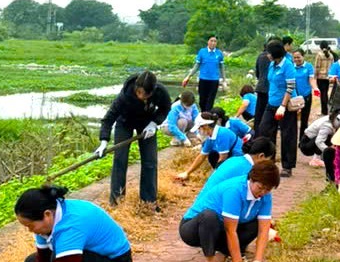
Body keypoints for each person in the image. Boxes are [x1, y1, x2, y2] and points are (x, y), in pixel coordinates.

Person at [178, 162, 280, 262]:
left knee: (257, 224)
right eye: (260, 188)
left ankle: (222, 256)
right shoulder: (234, 190)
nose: (262, 192)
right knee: (209, 216)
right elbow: (230, 230)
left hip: (220, 230)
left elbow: (264, 229)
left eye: (267, 189)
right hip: (194, 229)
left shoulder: (265, 196)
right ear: (251, 180)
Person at [97, 71, 171, 208]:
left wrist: (154, 123)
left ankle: (148, 202)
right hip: (125, 123)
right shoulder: (125, 95)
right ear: (136, 88)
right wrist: (103, 141)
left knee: (150, 161)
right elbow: (108, 118)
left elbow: (165, 108)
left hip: (147, 125)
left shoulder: (160, 92)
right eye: (139, 93)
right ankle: (117, 202)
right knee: (120, 159)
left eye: (145, 94)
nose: (141, 96)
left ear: (152, 92)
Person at [257, 40, 299, 178]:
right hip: (271, 103)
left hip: (285, 105)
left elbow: (290, 87)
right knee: (264, 130)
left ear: (275, 53)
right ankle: (269, 160)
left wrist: (283, 106)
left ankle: (287, 166)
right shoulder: (272, 65)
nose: (267, 55)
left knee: (288, 134)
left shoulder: (288, 65)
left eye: (269, 53)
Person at [176, 112, 245, 180]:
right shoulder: (210, 137)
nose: (199, 131)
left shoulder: (222, 134)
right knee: (212, 155)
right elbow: (201, 156)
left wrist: (214, 176)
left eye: (199, 128)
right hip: (229, 156)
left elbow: (223, 157)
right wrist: (187, 173)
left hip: (238, 157)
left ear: (205, 126)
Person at [299, 108, 340, 176]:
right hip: (306, 146)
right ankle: (316, 159)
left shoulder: (332, 120)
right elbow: (318, 142)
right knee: (328, 139)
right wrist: (329, 151)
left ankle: (319, 157)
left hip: (312, 141)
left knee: (332, 138)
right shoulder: (327, 126)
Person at [184, 35, 226, 112]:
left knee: (210, 100)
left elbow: (222, 67)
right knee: (202, 100)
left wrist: (224, 80)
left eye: (215, 41)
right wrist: (188, 76)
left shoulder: (219, 53)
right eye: (211, 41)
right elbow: (197, 65)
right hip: (203, 79)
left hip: (214, 80)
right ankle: (203, 113)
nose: (213, 43)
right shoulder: (202, 52)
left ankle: (207, 115)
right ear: (208, 42)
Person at [292, 50, 317, 132]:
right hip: (294, 97)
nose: (296, 59)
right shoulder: (291, 67)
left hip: (306, 96)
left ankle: (303, 138)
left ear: (303, 56)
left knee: (304, 119)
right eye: (294, 58)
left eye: (298, 57)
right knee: (293, 119)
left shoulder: (308, 66)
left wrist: (315, 88)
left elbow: (311, 79)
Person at [254, 37, 277, 120]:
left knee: (259, 112)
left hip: (260, 87)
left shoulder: (260, 56)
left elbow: (257, 73)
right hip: (270, 89)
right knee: (268, 114)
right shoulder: (275, 58)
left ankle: (258, 127)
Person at [313, 40, 335, 116]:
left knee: (323, 94)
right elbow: (332, 67)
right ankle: (326, 110)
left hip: (320, 77)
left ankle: (324, 111)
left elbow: (317, 66)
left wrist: (315, 76)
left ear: (321, 46)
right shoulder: (331, 55)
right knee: (325, 93)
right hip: (328, 77)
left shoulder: (319, 55)